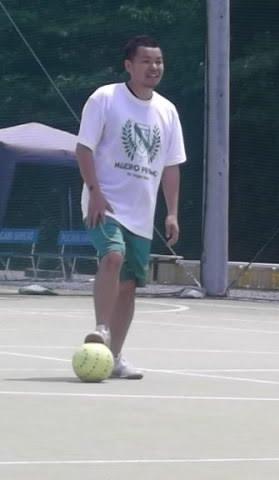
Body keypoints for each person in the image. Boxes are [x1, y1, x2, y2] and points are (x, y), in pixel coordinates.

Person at [76, 35, 187, 379]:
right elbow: (84, 148)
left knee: (129, 286)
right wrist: (94, 192)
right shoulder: (105, 98)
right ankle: (101, 328)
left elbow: (171, 166)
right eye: (146, 61)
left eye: (159, 61)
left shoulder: (167, 111)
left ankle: (115, 357)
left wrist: (172, 212)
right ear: (129, 65)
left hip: (141, 213)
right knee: (112, 256)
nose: (154, 67)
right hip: (105, 202)